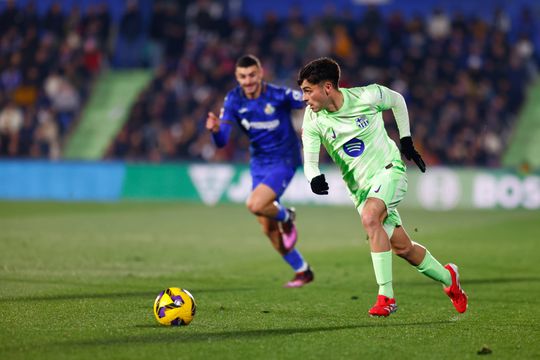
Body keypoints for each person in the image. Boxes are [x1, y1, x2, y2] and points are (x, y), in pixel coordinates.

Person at [297, 57, 467, 316]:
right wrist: (314, 177)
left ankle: (386, 297)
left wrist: (406, 140)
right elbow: (309, 161)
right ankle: (448, 278)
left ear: (327, 87)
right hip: (361, 190)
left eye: (308, 90)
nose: (304, 98)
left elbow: (397, 100)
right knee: (403, 248)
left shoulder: (367, 96)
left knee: (370, 217)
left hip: (390, 172)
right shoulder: (312, 119)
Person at [206, 54, 314, 288]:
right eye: (243, 76)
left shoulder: (278, 95)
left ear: (261, 73)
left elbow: (309, 100)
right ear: (237, 77)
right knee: (266, 225)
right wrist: (215, 130)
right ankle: (302, 270)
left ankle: (287, 216)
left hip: (285, 159)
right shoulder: (233, 100)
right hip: (259, 163)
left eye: (252, 75)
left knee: (255, 204)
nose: (248, 80)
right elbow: (222, 141)